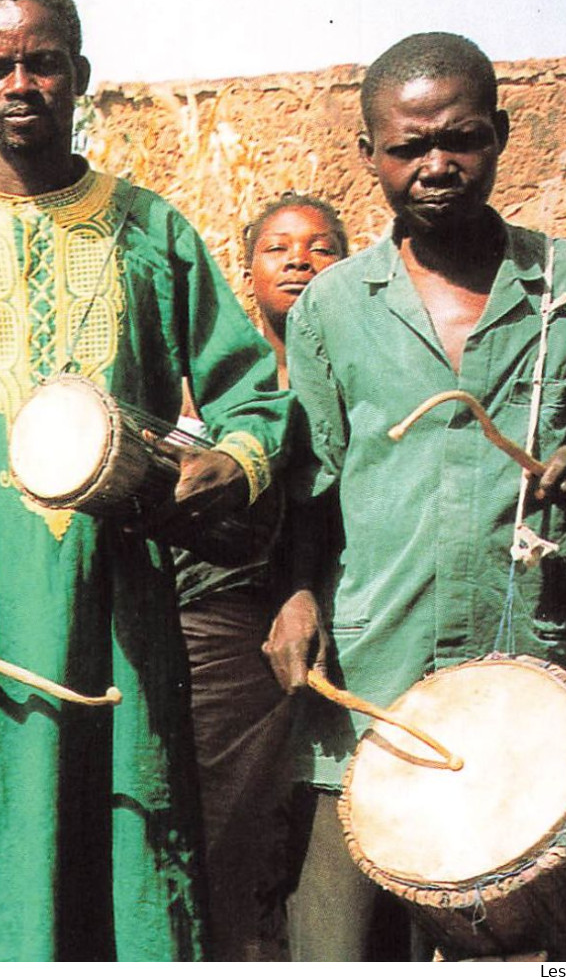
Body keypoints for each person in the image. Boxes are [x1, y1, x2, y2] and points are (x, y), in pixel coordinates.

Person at [0, 0, 291, 962]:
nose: (21, 83)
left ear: (79, 75)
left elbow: (259, 396)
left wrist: (222, 467)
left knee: (122, 857)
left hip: (115, 630)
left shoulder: (152, 233)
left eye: (43, 62)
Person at [277, 32, 566, 961]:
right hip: (369, 696)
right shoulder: (334, 307)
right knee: (338, 948)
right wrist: (300, 594)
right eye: (408, 147)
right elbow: (311, 487)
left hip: (532, 696)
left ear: (500, 134)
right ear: (369, 155)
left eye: (459, 139)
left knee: (541, 945)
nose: (436, 165)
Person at [175, 194, 347, 960]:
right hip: (229, 625)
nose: (300, 260)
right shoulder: (212, 389)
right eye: (278, 247)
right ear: (246, 274)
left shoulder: (357, 373)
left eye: (322, 246)